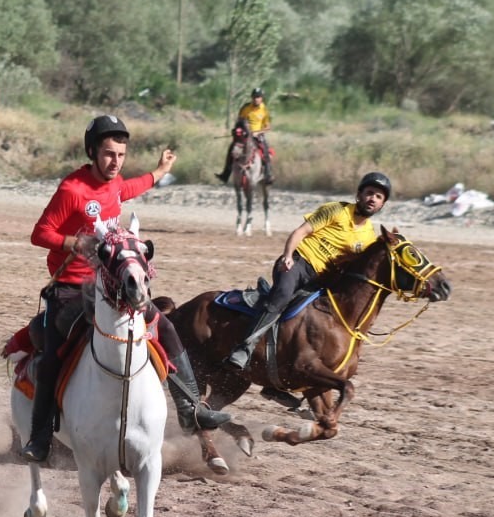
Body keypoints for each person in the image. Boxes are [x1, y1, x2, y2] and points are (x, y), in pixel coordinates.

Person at [20, 114, 232, 462]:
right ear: (92, 152)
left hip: (109, 284)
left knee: (163, 325)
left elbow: (133, 187)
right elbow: (40, 234)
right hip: (71, 289)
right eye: (107, 154)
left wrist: (161, 172)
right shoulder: (72, 190)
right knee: (53, 354)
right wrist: (75, 242)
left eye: (120, 154)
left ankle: (190, 408)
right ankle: (40, 436)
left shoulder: (116, 185)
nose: (115, 161)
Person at [226, 171, 393, 373]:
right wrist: (287, 255)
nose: (372, 199)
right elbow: (301, 232)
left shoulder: (369, 236)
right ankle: (245, 348)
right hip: (297, 264)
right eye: (369, 192)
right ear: (359, 194)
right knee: (282, 297)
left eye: (378, 197)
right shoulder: (336, 210)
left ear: (382, 204)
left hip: (321, 279)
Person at [216, 87, 273, 185]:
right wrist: (237, 130)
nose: (256, 99)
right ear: (252, 97)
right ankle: (225, 174)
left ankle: (268, 174)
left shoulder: (264, 110)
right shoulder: (245, 108)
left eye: (258, 97)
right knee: (232, 149)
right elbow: (239, 121)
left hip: (257, 135)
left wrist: (257, 132)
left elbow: (267, 127)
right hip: (245, 135)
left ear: (262, 98)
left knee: (265, 149)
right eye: (254, 97)